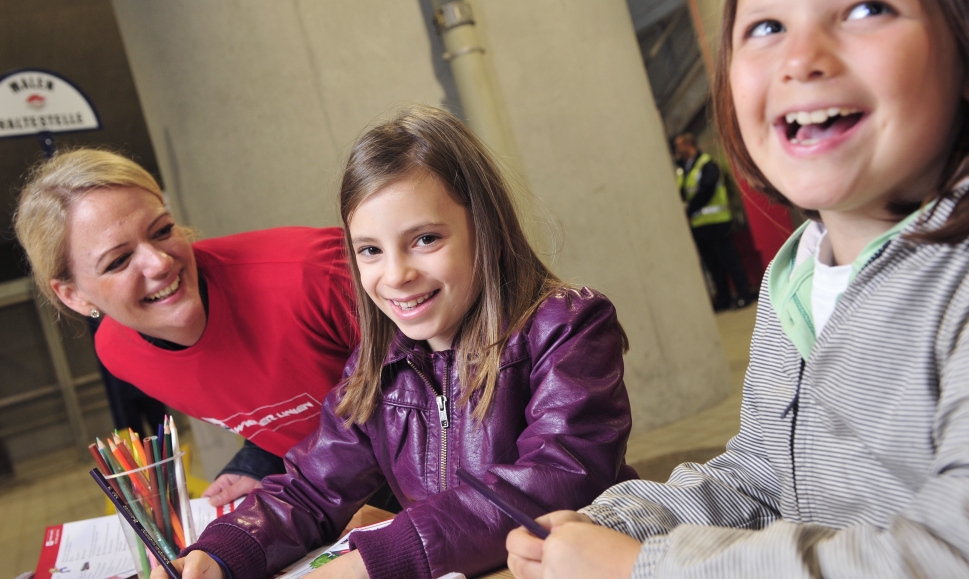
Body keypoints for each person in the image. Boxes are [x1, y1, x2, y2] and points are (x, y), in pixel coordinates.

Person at [507, 0, 969, 576]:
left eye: (866, 9)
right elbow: (763, 478)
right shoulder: (796, 275)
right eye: (767, 26)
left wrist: (644, 567)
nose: (801, 59)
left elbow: (947, 555)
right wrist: (616, 524)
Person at [158, 105, 636, 579]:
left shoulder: (568, 324)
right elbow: (311, 489)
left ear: (483, 227)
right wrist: (222, 552)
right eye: (370, 250)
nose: (396, 275)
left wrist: (382, 556)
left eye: (425, 239)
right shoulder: (378, 364)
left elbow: (555, 478)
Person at [13, 150, 360, 507]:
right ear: (73, 295)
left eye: (162, 231)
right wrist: (260, 461)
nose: (160, 263)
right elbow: (282, 402)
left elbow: (417, 393)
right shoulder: (118, 353)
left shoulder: (314, 274)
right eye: (118, 261)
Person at [674, 132, 754, 310]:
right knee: (713, 265)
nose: (677, 150)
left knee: (730, 261)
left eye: (679, 146)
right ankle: (724, 300)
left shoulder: (707, 165)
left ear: (689, 145)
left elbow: (706, 190)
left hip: (717, 223)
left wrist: (689, 209)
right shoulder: (683, 169)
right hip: (699, 225)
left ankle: (743, 295)